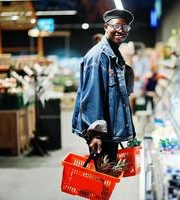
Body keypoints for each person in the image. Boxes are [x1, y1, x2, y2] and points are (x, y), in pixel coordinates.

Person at [72, 9, 135, 162]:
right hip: (102, 135)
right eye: (116, 26)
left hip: (109, 131)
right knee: (101, 180)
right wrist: (95, 135)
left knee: (107, 179)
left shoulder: (113, 55)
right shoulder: (99, 56)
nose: (121, 31)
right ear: (106, 27)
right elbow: (92, 96)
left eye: (125, 27)